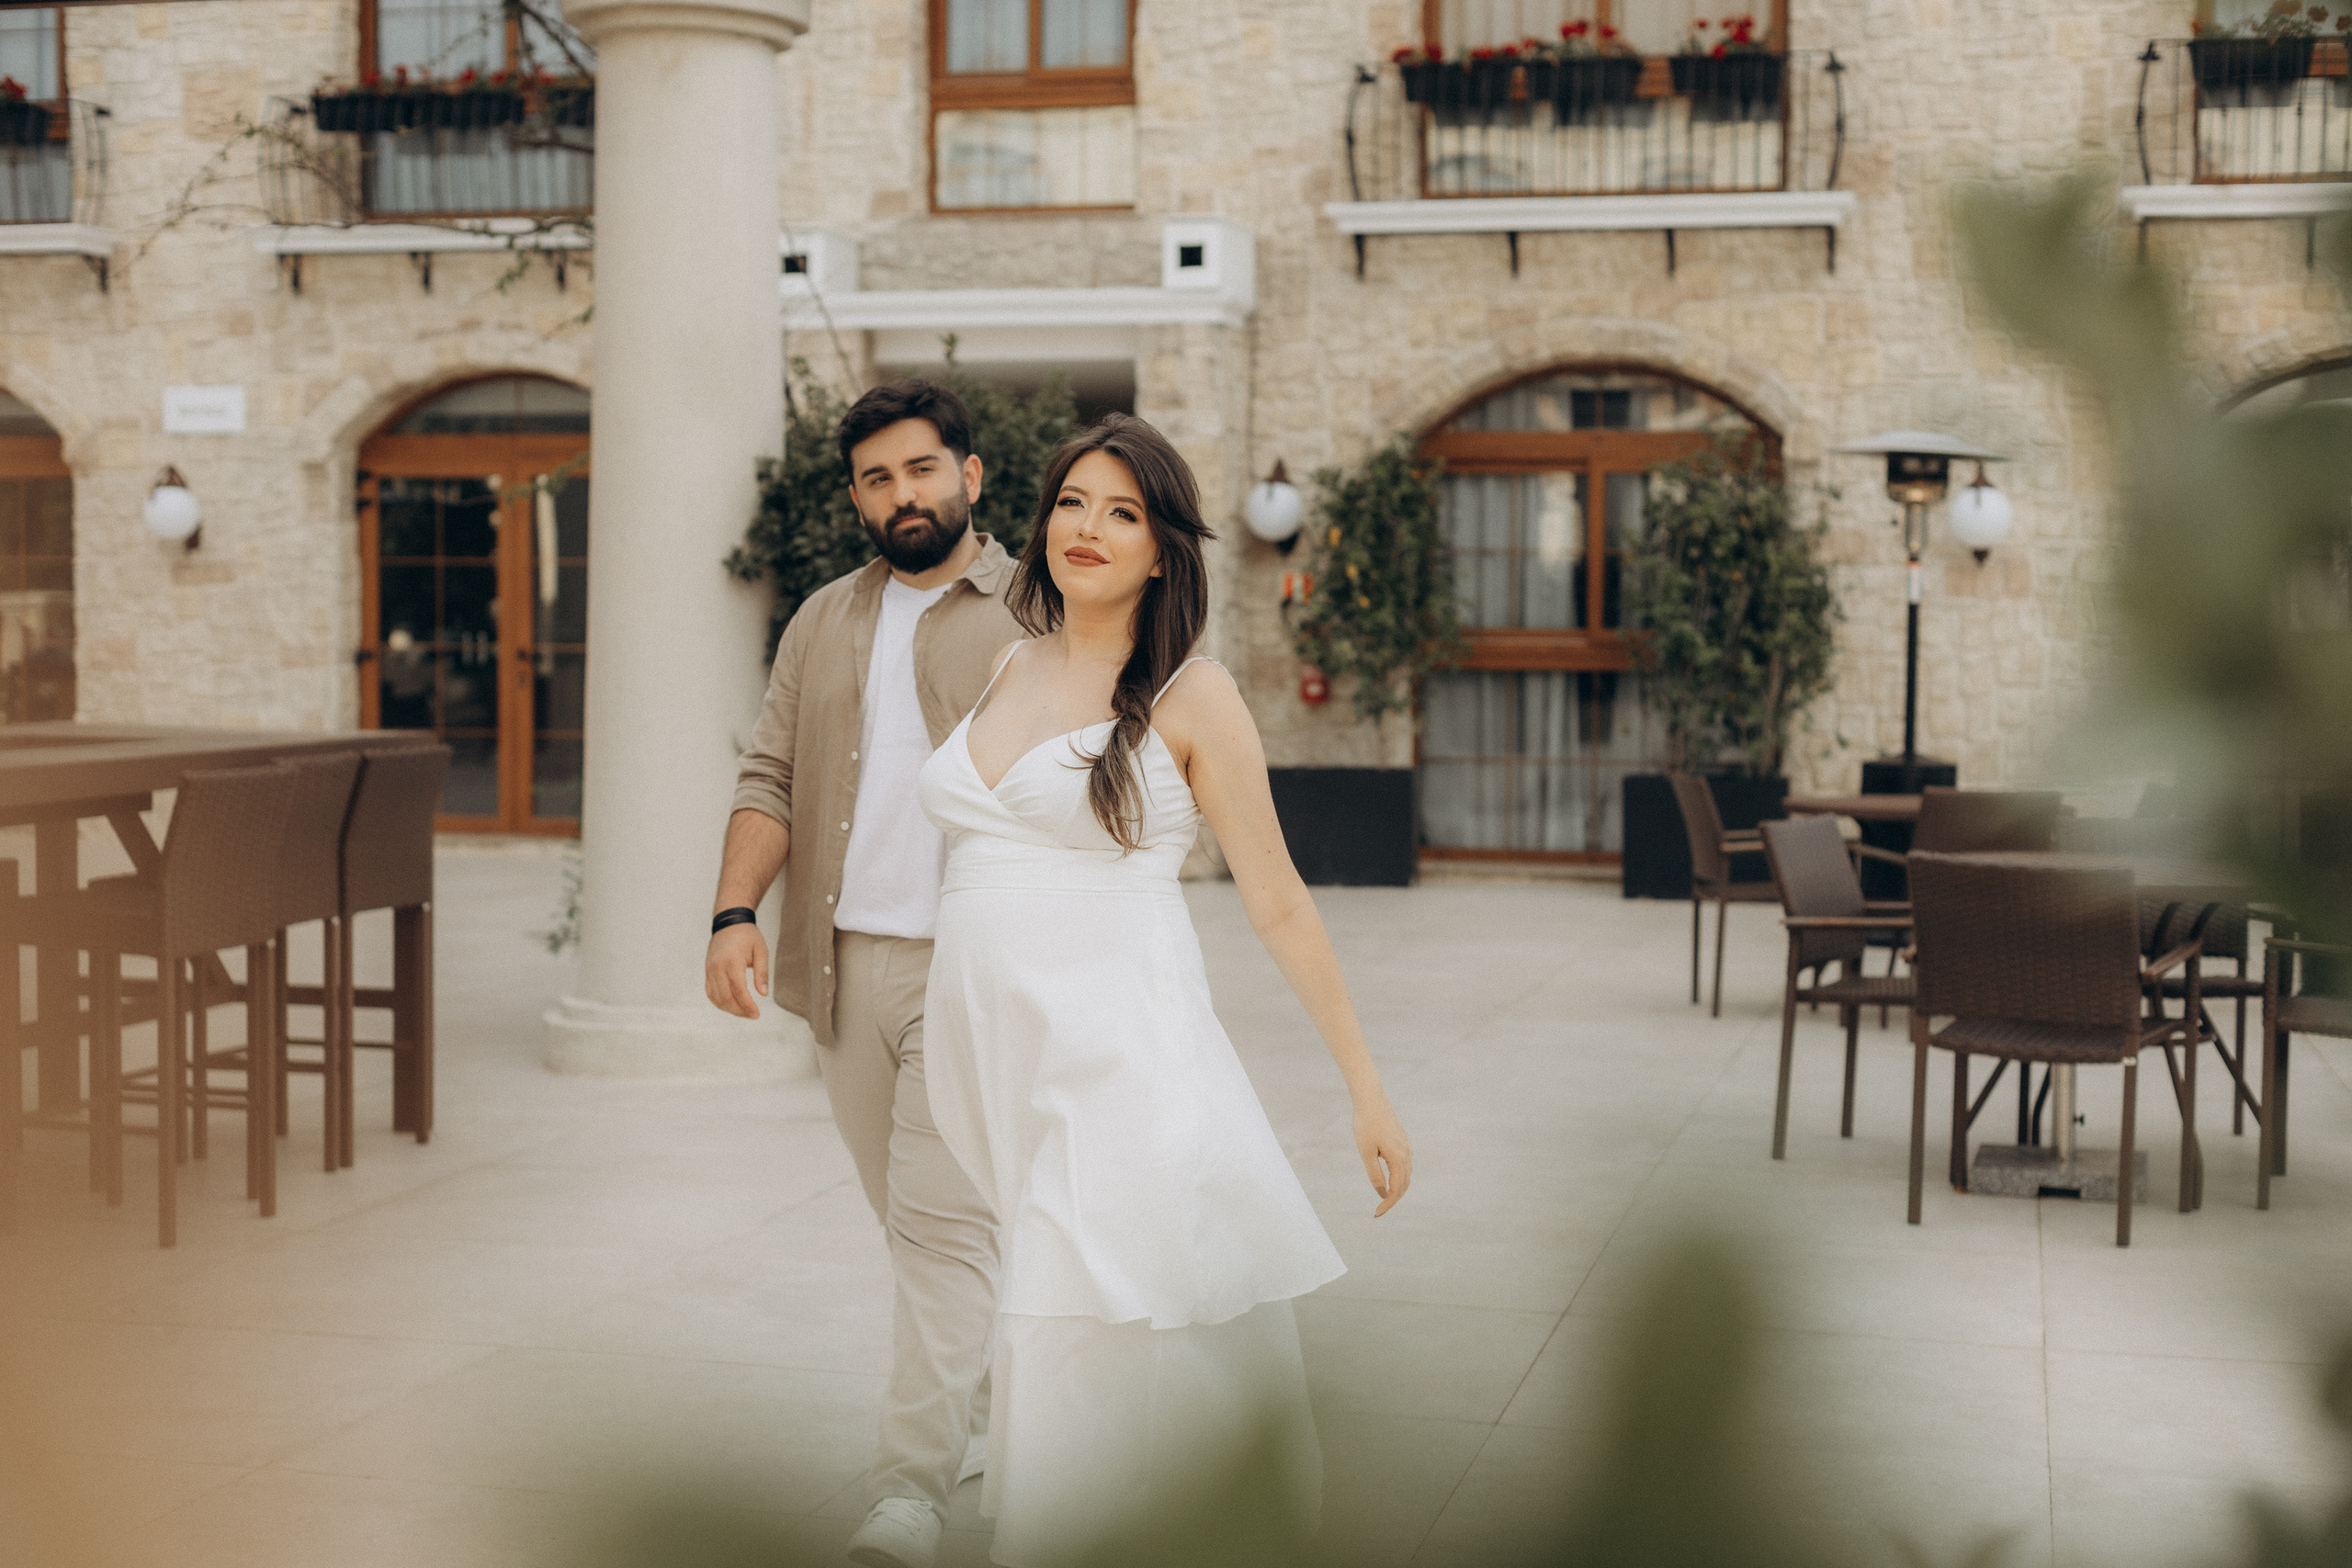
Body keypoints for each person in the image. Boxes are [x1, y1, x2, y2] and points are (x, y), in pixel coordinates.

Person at [916, 414, 1414, 1565]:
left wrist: (1365, 1090)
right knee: (1102, 1325)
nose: (1087, 528)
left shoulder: (1193, 696)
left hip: (1124, 1066)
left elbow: (1279, 899)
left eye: (1123, 512)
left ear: (1162, 552)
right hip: (1015, 1074)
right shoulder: (1009, 662)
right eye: (1072, 503)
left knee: (1085, 1324)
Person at [708, 379, 1023, 1568]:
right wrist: (735, 908)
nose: (904, 495)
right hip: (843, 966)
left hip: (972, 966)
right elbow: (769, 772)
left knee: (942, 1233)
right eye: (880, 478)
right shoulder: (826, 617)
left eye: (923, 469)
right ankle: (988, 1413)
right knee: (912, 1225)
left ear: (970, 475)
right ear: (856, 494)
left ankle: (908, 1494)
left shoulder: (1033, 610)